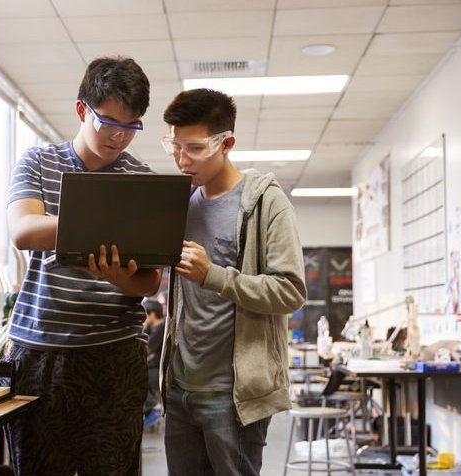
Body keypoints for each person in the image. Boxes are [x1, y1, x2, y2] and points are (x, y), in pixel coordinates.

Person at [3, 56, 160, 475]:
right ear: (81, 110)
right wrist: (96, 223)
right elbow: (22, 230)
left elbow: (150, 281)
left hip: (114, 354)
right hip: (40, 352)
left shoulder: (141, 181)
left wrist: (120, 277)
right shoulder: (37, 162)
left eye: (131, 127)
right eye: (108, 123)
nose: (118, 138)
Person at [159, 88, 307, 475]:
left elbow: (291, 290)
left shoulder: (266, 203)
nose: (180, 158)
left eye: (193, 148)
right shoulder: (179, 204)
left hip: (235, 395)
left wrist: (215, 276)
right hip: (179, 389)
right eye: (174, 146)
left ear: (227, 143)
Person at [143, 299, 166, 426]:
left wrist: (145, 327)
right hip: (155, 368)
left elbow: (146, 348)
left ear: (152, 314)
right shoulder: (156, 328)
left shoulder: (160, 328)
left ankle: (153, 405)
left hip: (160, 372)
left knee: (137, 376)